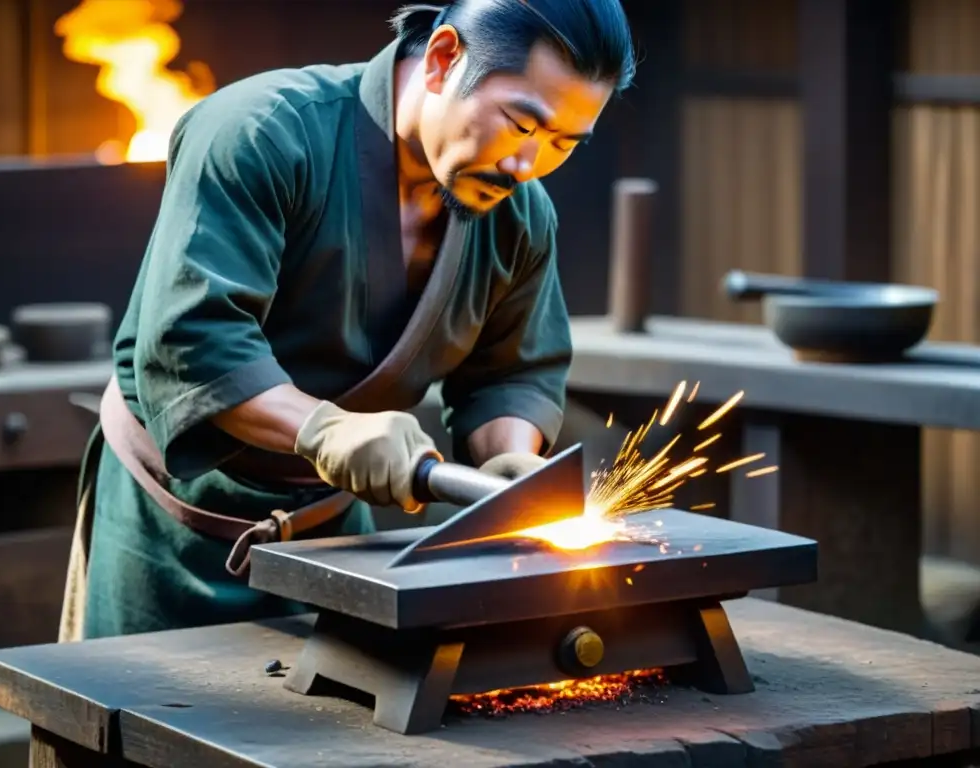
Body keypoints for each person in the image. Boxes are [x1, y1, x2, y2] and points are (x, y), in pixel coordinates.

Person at [59, 0, 638, 641]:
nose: (526, 166)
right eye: (521, 124)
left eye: (562, 144)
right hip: (171, 519)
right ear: (445, 58)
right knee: (131, 725)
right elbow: (198, 346)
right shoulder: (261, 132)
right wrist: (326, 431)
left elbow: (513, 371)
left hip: (331, 531)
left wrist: (508, 463)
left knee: (334, 728)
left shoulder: (520, 216)